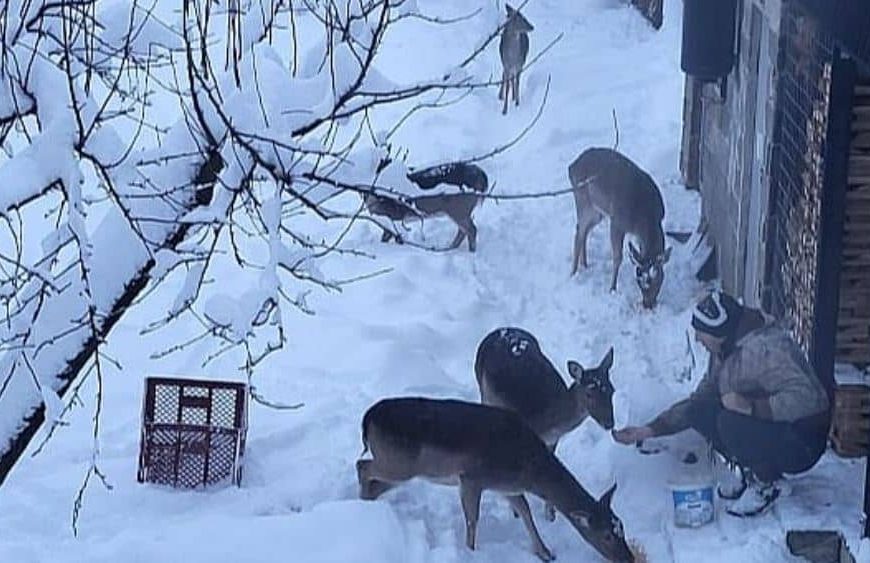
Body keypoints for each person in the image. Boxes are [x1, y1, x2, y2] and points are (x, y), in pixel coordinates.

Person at [613, 289, 832, 517]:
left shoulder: (766, 348)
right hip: (779, 432)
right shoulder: (726, 352)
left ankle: (766, 485)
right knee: (701, 410)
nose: (697, 338)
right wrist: (650, 430)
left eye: (701, 332)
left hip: (803, 442)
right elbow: (698, 402)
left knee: (730, 421)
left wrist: (752, 407)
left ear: (718, 333)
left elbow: (811, 399)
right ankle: (752, 474)